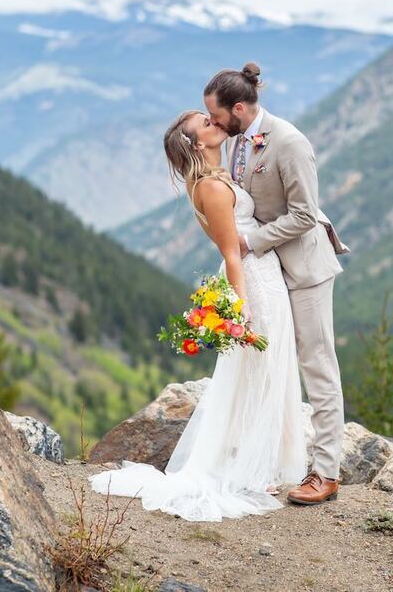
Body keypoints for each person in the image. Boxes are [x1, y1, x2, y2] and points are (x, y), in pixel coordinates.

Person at [88, 68, 314, 521]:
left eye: (212, 118)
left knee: (268, 370)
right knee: (259, 371)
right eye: (206, 125)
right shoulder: (210, 187)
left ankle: (264, 459)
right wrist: (241, 309)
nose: (216, 125)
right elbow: (232, 254)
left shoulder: (217, 171)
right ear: (197, 143)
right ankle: (254, 466)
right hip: (253, 279)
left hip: (262, 271)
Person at [203, 62, 348, 506]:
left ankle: (326, 472)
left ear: (240, 108)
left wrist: (250, 243)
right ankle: (266, 460)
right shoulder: (236, 144)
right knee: (268, 365)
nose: (212, 123)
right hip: (267, 274)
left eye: (215, 115)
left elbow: (305, 214)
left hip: (304, 268)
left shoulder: (289, 142)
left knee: (316, 362)